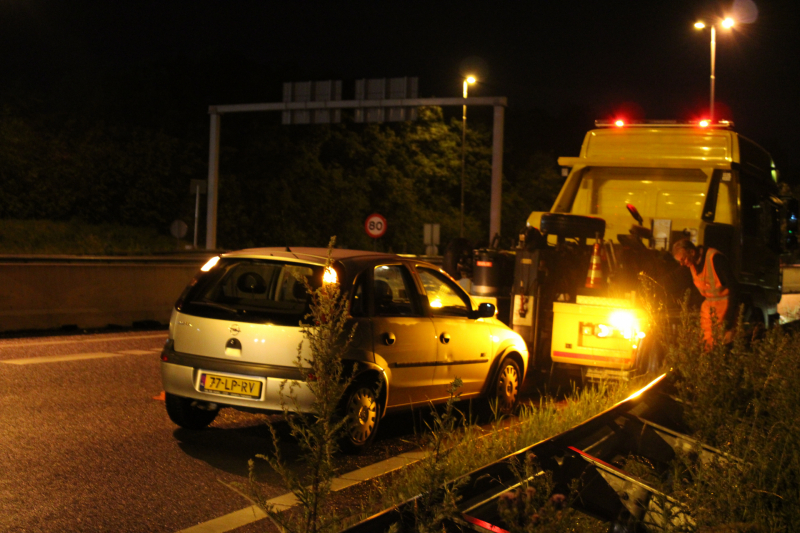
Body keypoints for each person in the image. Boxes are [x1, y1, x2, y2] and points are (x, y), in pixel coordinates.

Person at [671, 239, 738, 348]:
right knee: (706, 347)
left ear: (692, 252)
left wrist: (729, 321)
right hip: (708, 314)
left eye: (683, 259)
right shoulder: (692, 265)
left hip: (724, 312)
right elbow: (675, 280)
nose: (682, 264)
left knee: (721, 347)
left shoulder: (715, 259)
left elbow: (734, 289)